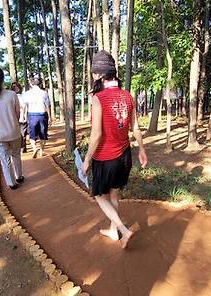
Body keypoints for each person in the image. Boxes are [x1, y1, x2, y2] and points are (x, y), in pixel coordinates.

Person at [81, 50, 148, 249]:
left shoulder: (98, 98)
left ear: (98, 74)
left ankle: (123, 230)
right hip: (124, 156)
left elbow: (96, 135)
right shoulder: (127, 96)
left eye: (94, 72)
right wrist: (142, 150)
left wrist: (86, 160)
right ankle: (113, 231)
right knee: (114, 195)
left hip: (105, 158)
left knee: (99, 196)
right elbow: (134, 127)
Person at [20, 75, 51, 158]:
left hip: (32, 115)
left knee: (32, 135)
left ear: (31, 84)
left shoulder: (27, 94)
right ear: (40, 84)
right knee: (43, 134)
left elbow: (24, 106)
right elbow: (47, 106)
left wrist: (23, 116)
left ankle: (34, 149)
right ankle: (41, 150)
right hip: (42, 114)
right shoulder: (44, 93)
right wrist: (50, 117)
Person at [10, 81, 28, 154]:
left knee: (23, 133)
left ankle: (23, 147)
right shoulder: (10, 97)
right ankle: (18, 147)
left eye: (16, 86)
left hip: (22, 117)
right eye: (13, 87)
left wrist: (25, 116)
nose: (15, 88)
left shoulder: (22, 96)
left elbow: (25, 107)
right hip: (13, 119)